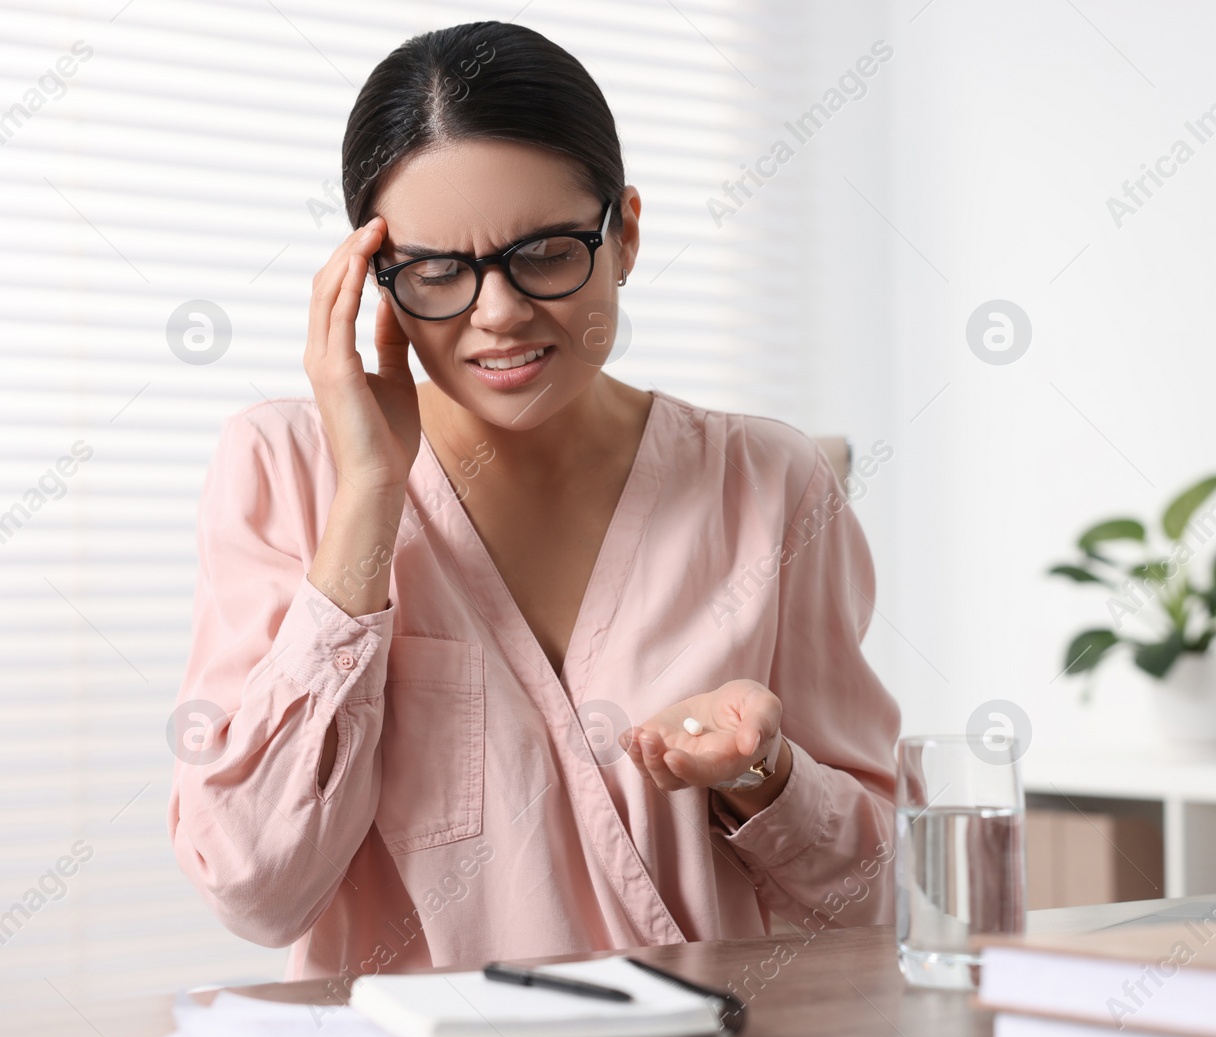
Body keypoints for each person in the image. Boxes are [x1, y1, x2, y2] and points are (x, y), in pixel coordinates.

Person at [167, 20, 900, 984]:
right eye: (436, 273)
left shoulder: (768, 481)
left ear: (625, 232)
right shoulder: (284, 465)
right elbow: (256, 886)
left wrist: (764, 779)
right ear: (373, 285)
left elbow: (879, 894)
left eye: (547, 251)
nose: (500, 311)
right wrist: (371, 497)